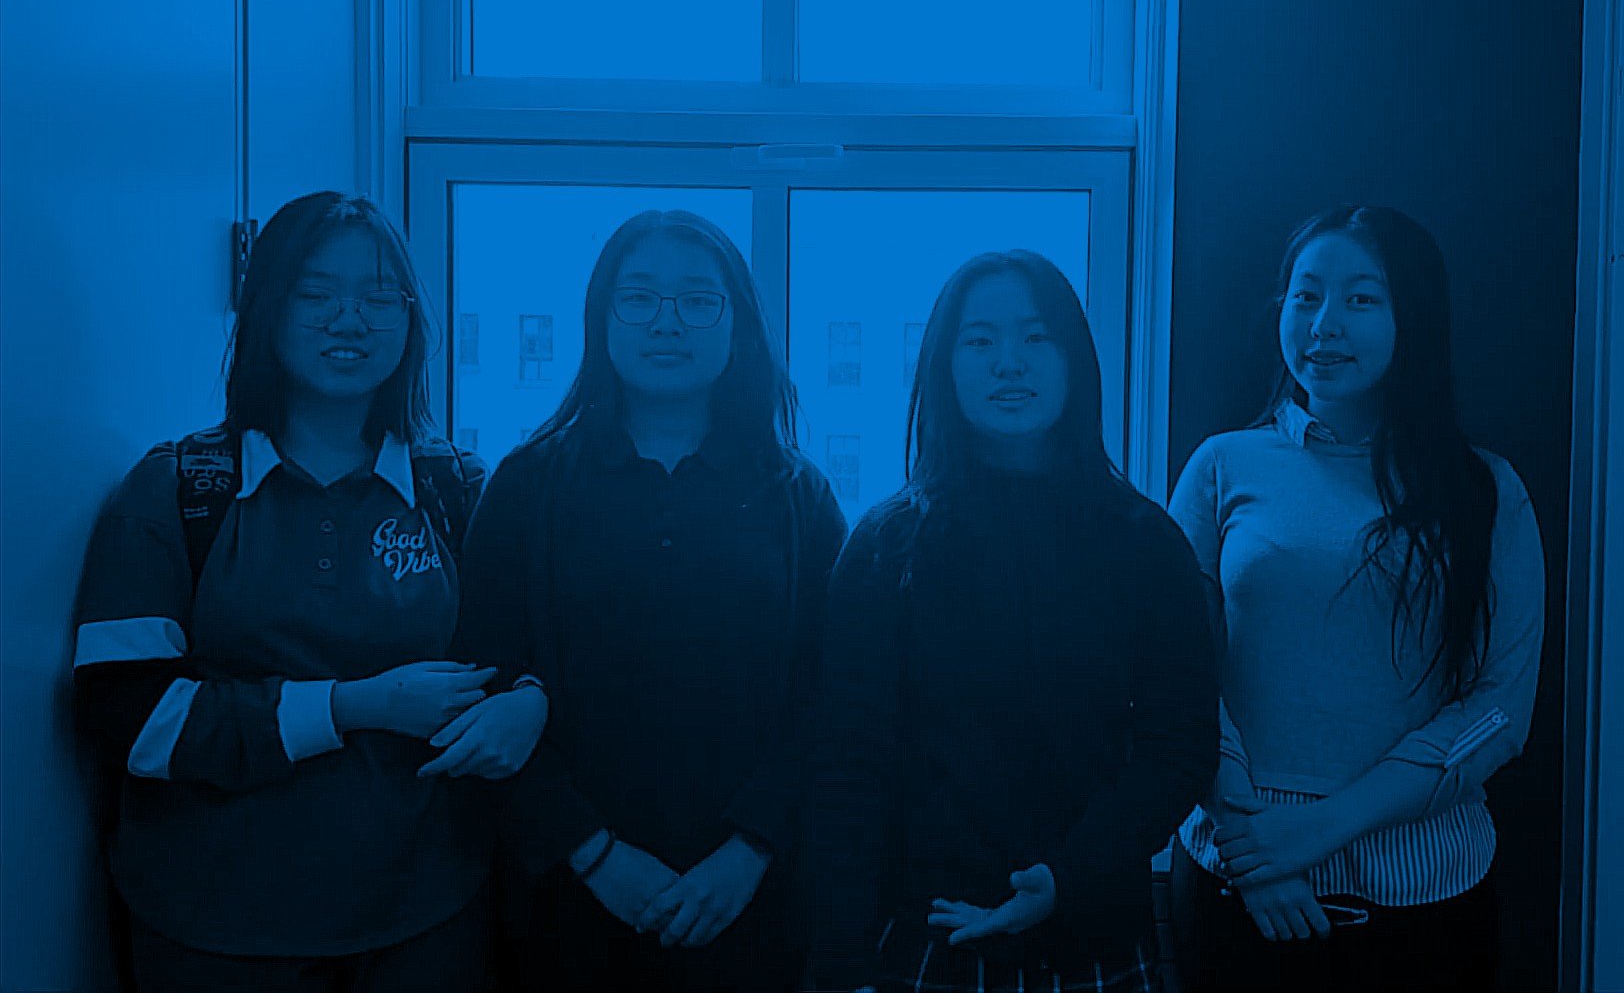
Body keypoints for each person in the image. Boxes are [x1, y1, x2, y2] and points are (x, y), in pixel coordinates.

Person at [70, 191, 500, 991]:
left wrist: (525, 701)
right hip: (211, 925)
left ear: (410, 321)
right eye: (315, 294)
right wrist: (352, 706)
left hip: (425, 914)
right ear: (266, 307)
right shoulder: (178, 490)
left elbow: (515, 662)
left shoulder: (456, 490)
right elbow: (124, 714)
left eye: (380, 298)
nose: (350, 320)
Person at [452, 209, 847, 992]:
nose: (668, 322)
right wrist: (593, 853)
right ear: (601, 318)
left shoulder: (797, 497)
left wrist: (750, 851)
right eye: (638, 298)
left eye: (698, 300)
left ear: (737, 324)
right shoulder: (527, 486)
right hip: (564, 899)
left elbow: (829, 698)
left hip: (752, 900)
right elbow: (484, 682)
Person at [804, 250, 1217, 993]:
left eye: (1035, 337)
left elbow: (1179, 746)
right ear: (943, 365)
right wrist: (839, 963)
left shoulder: (1144, 542)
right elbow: (846, 767)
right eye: (980, 340)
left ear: (1075, 359)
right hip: (921, 938)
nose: (1009, 363)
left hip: (1093, 937)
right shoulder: (886, 546)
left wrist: (1067, 876)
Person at [1165, 206, 1547, 992]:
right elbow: (1173, 673)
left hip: (1427, 898)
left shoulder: (1486, 490)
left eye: (1361, 299)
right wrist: (1253, 845)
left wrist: (1323, 827)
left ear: (1414, 317)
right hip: (1239, 881)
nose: (1324, 325)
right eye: (1306, 297)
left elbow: (1500, 707)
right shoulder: (1221, 466)